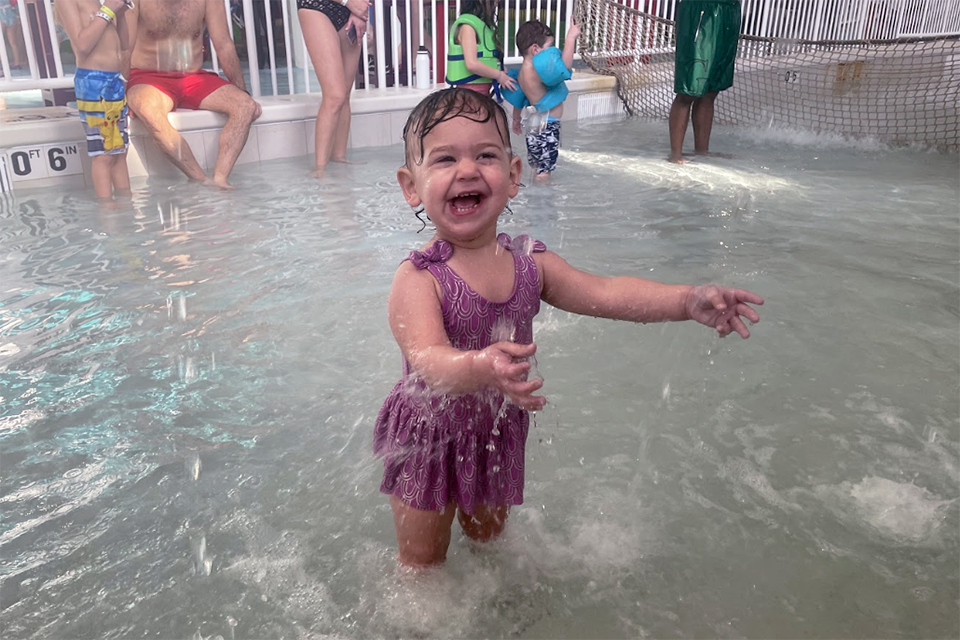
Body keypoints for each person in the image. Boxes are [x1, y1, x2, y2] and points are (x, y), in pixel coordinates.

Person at [374, 88, 764, 567]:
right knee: (423, 564)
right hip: (428, 437)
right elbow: (429, 359)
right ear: (411, 186)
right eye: (444, 158)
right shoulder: (418, 278)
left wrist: (685, 300)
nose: (468, 169)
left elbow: (604, 294)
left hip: (494, 429)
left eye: (486, 154)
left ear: (514, 175)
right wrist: (480, 365)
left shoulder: (530, 265)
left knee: (490, 548)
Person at [125, 0, 263, 188]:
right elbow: (124, 49)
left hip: (193, 77)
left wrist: (243, 90)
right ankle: (199, 179)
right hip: (146, 76)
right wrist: (119, 95)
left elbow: (223, 45)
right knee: (149, 111)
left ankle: (220, 179)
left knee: (245, 106)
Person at [56, 0, 136, 199]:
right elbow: (82, 44)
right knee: (103, 155)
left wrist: (121, 12)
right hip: (93, 83)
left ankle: (126, 210)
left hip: (114, 81)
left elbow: (124, 45)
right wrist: (108, 9)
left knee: (119, 152)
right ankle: (107, 213)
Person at [298, 0, 370, 177]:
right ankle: (319, 169)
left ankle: (339, 157)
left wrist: (359, 11)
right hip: (317, 6)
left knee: (344, 95)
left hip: (351, 11)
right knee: (335, 95)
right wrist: (348, 2)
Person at [502, 20, 580, 182]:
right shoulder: (537, 70)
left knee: (537, 166)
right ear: (535, 49)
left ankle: (535, 194)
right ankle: (544, 200)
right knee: (545, 170)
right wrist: (571, 37)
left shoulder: (523, 73)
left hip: (533, 125)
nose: (553, 51)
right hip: (547, 125)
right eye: (550, 47)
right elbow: (563, 67)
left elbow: (520, 100)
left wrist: (516, 119)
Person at [668, 0, 741, 163]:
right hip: (700, 9)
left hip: (729, 10)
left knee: (710, 90)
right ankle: (676, 155)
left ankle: (701, 151)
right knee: (689, 88)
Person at [445, 0, 516, 97]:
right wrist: (499, 75)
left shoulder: (481, 26)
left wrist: (499, 68)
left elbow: (486, 57)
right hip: (469, 94)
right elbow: (472, 64)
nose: (497, 2)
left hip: (480, 93)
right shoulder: (467, 27)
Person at [0, 0, 26, 70]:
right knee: (13, 42)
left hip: (1, 15)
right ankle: (17, 63)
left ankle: (2, 63)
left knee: (1, 42)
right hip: (10, 15)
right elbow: (15, 4)